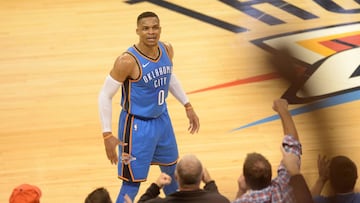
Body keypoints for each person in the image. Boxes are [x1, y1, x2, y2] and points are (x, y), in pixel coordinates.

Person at [98, 11, 200, 203]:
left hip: (162, 121)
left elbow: (168, 76)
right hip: (137, 126)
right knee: (131, 184)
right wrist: (107, 134)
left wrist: (187, 104)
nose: (151, 32)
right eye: (146, 28)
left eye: (155, 27)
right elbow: (104, 95)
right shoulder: (127, 61)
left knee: (171, 172)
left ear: (160, 29)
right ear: (137, 31)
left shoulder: (167, 49)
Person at [233, 98, 302, 203]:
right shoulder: (285, 185)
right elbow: (293, 144)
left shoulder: (243, 201)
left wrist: (241, 190)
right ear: (270, 175)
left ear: (246, 181)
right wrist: (282, 109)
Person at [137, 154, 230, 203]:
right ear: (202, 177)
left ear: (176, 177)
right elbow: (217, 199)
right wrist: (210, 183)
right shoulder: (221, 201)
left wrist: (155, 187)